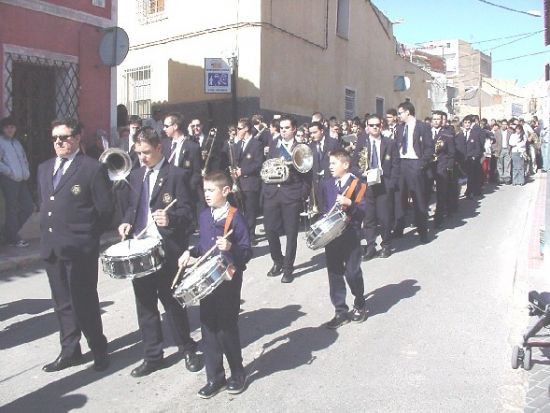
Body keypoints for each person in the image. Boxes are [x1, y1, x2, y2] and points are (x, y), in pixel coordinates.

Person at [118, 126, 201, 377]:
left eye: (146, 152)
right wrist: (126, 222)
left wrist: (171, 218)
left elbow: (190, 214)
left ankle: (187, 348)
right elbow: (133, 209)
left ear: (159, 148)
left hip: (167, 249)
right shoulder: (135, 176)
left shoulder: (176, 175)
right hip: (140, 251)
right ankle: (153, 355)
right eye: (138, 152)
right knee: (145, 305)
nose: (141, 157)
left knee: (172, 302)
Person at [38, 118, 113, 372]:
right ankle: (70, 349)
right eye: (55, 138)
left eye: (65, 137)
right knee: (62, 303)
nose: (59, 142)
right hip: (53, 247)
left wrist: (87, 237)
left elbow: (105, 211)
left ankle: (98, 348)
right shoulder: (44, 168)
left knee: (85, 302)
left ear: (78, 137)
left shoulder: (91, 168)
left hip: (80, 249)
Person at [178, 171, 252, 398]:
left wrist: (231, 248)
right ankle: (215, 377)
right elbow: (203, 246)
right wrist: (189, 253)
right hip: (207, 279)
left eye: (211, 190)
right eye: (205, 190)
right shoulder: (204, 215)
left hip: (228, 279)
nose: (206, 194)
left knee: (227, 327)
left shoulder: (235, 217)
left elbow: (247, 250)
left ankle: (238, 373)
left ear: (226, 191)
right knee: (208, 327)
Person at [322, 149, 367, 328]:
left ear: (345, 165)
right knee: (334, 272)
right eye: (330, 163)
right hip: (333, 235)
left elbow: (365, 211)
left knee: (352, 272)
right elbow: (326, 208)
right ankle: (340, 310)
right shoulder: (327, 184)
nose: (330, 167)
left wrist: (351, 204)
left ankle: (360, 302)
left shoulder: (358, 185)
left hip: (351, 233)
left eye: (334, 163)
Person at [263, 115, 310, 283]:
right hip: (272, 194)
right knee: (270, 230)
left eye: (286, 128)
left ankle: (288, 269)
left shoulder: (302, 148)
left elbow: (307, 175)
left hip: (291, 194)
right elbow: (268, 169)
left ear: (294, 129)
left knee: (291, 234)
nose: (283, 131)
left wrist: (302, 194)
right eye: (281, 128)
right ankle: (278, 260)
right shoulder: (274, 146)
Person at [352, 114, 400, 260]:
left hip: (384, 183)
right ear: (367, 126)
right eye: (371, 125)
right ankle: (370, 246)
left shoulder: (389, 143)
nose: (374, 128)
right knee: (369, 217)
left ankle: (386, 245)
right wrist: (361, 173)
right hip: (367, 184)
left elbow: (396, 165)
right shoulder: (362, 141)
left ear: (381, 126)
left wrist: (391, 183)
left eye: (377, 125)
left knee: (384, 217)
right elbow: (353, 164)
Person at [394, 101, 434, 243]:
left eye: (400, 113)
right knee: (400, 198)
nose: (398, 116)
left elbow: (430, 148)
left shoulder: (422, 127)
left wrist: (421, 164)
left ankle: (422, 231)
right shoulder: (399, 128)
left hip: (415, 164)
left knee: (418, 199)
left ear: (407, 112)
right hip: (401, 164)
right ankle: (399, 228)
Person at [0, 116, 33, 247]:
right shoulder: (1, 142)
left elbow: (24, 159)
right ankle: (14, 237)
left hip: (22, 179)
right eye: (7, 127)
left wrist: (26, 171)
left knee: (29, 207)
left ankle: (8, 233)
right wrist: (9, 171)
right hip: (9, 179)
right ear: (2, 128)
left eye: (12, 127)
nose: (10, 129)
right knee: (12, 209)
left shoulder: (17, 143)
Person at [229, 117, 263, 244]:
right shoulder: (238, 144)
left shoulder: (256, 144)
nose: (237, 131)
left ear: (247, 128)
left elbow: (258, 164)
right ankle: (242, 233)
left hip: (250, 182)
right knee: (239, 210)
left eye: (239, 128)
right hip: (238, 183)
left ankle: (250, 235)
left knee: (250, 211)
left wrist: (242, 171)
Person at [309, 121, 340, 214]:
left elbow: (339, 160)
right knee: (320, 211)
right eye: (310, 133)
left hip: (330, 180)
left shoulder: (333, 143)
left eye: (315, 132)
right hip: (317, 183)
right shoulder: (310, 146)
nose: (312, 135)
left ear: (322, 131)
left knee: (331, 209)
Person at [431, 111, 455, 228]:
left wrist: (447, 167)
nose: (435, 121)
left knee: (441, 193)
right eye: (434, 119)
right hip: (429, 167)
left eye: (438, 119)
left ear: (442, 121)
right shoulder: (427, 132)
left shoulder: (447, 134)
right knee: (425, 192)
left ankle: (438, 217)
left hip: (441, 166)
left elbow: (451, 153)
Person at [494, 119, 511, 184]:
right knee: (499, 164)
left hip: (507, 149)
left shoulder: (510, 132)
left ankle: (507, 178)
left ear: (507, 125)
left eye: (505, 124)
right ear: (501, 125)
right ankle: (500, 178)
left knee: (507, 164)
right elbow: (494, 142)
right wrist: (495, 150)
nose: (504, 126)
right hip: (499, 150)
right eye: (503, 124)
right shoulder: (497, 132)